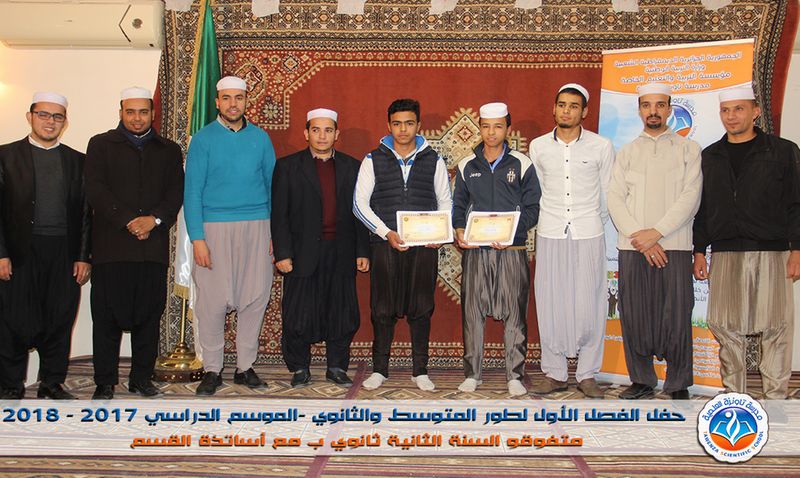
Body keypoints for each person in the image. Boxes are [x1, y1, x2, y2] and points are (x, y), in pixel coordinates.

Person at [693, 86, 800, 400]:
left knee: (776, 325)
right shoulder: (710, 155)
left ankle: (776, 396)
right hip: (726, 251)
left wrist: (797, 249)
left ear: (755, 112)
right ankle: (734, 394)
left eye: (739, 109)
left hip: (773, 250)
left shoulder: (783, 151)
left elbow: (796, 203)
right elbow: (704, 207)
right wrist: (699, 250)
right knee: (724, 323)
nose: (731, 116)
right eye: (726, 110)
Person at [85, 86, 184, 400]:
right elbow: (95, 190)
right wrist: (129, 220)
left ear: (153, 113)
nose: (137, 118)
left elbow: (175, 193)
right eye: (130, 112)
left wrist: (154, 220)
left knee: (148, 318)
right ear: (121, 113)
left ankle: (141, 379)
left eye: (143, 112)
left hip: (151, 249)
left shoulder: (169, 150)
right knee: (105, 319)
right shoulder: (100, 144)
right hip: (111, 249)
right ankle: (104, 382)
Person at [607, 82, 702, 400]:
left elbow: (691, 197)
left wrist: (657, 232)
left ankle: (678, 383)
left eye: (660, 105)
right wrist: (642, 238)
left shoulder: (689, 149)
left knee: (677, 315)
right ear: (639, 110)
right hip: (633, 247)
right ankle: (642, 380)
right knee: (634, 315)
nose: (653, 111)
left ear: (669, 109)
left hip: (674, 245)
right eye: (647, 105)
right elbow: (615, 199)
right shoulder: (627, 152)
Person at [185, 76, 276, 396]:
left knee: (255, 297)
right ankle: (212, 368)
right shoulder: (203, 140)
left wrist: (275, 233)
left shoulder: (261, 139)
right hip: (214, 228)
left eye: (238, 97)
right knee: (211, 302)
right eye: (226, 98)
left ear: (247, 101)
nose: (233, 104)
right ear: (217, 102)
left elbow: (273, 187)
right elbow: (192, 191)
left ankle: (245, 367)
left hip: (258, 225)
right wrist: (197, 238)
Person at [353, 98, 452, 391]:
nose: (403, 129)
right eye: (397, 124)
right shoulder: (373, 159)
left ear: (418, 125)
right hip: (386, 243)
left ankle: (420, 371)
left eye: (409, 123)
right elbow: (359, 204)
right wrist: (386, 233)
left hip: (423, 246)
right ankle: (379, 370)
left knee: (422, 307)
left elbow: (445, 201)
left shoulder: (434, 160)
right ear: (389, 126)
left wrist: (439, 234)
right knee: (382, 308)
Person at [0, 92, 91, 400]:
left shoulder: (78, 161)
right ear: (30, 117)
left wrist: (83, 256)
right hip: (20, 251)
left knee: (60, 317)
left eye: (57, 116)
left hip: (63, 251)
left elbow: (85, 213)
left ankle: (52, 383)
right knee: (13, 318)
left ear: (65, 122)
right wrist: (1, 253)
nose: (50, 122)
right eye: (43, 114)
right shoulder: (6, 156)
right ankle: (10, 384)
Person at [272, 108, 370, 388]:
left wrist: (362, 251)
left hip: (341, 251)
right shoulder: (288, 167)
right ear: (306, 134)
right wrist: (282, 253)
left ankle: (336, 367)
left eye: (328, 130)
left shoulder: (353, 167)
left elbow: (361, 212)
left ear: (337, 134)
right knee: (298, 313)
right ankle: (299, 367)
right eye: (316, 130)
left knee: (341, 312)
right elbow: (279, 215)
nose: (322, 136)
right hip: (301, 253)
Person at [530, 84, 615, 398]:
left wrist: (592, 221)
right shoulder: (538, 147)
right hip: (550, 230)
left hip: (588, 231)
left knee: (590, 303)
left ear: (585, 112)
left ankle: (587, 374)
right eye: (562, 105)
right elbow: (537, 191)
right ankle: (554, 373)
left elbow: (607, 192)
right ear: (554, 108)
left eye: (574, 106)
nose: (567, 111)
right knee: (550, 302)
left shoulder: (601, 146)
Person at [452, 102, 540, 397]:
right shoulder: (467, 165)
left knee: (515, 311)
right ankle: (472, 374)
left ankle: (514, 375)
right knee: (472, 312)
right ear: (480, 128)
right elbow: (458, 206)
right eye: (486, 126)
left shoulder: (522, 164)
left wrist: (512, 231)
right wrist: (459, 229)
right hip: (476, 250)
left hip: (512, 249)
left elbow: (533, 208)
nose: (491, 132)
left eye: (498, 126)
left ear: (508, 129)